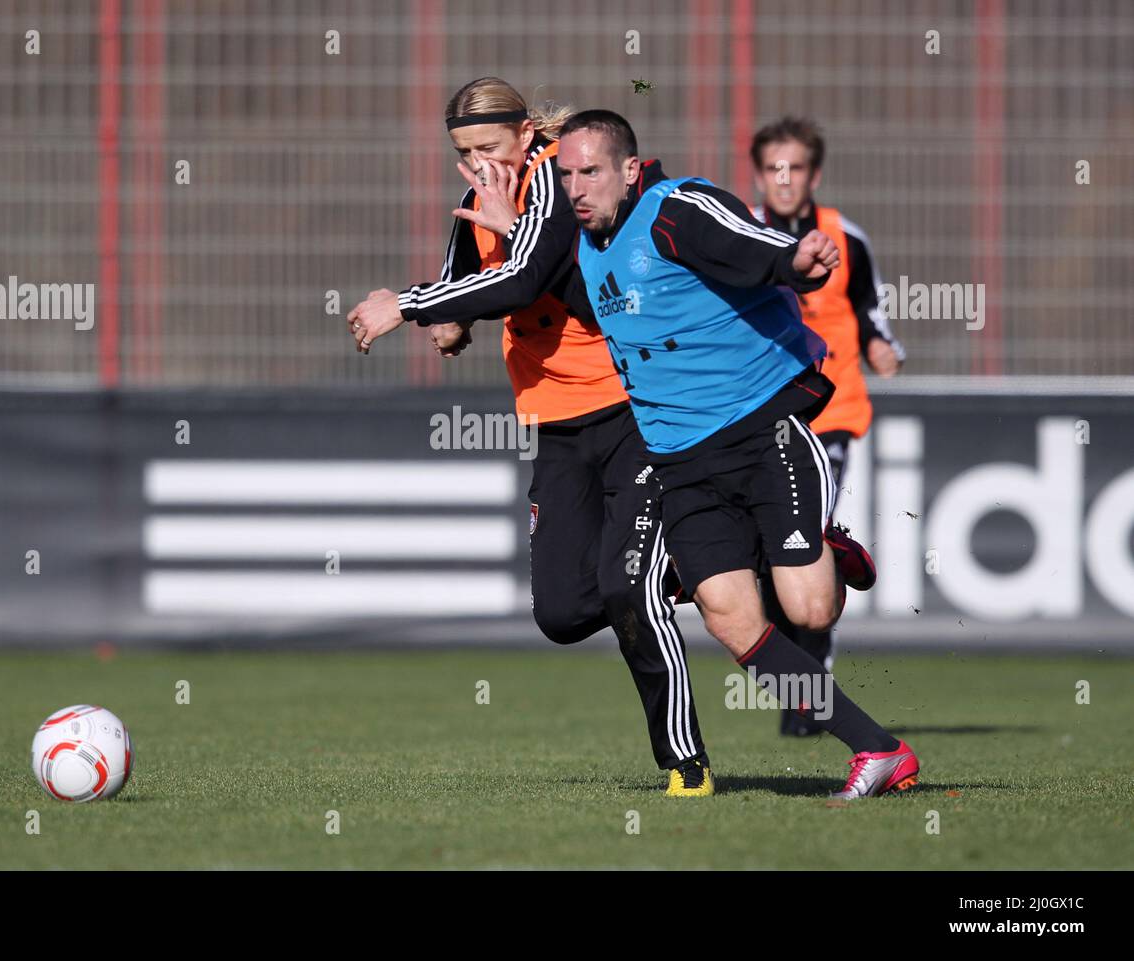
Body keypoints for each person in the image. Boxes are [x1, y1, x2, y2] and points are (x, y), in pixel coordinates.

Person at [347, 79, 713, 795]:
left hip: (632, 406)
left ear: (524, 134)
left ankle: (685, 763)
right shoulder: (480, 202)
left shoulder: (554, 176)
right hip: (555, 420)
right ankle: (690, 564)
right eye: (465, 153)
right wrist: (447, 324)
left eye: (490, 146)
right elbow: (463, 293)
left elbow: (522, 279)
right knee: (563, 611)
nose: (480, 163)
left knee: (626, 591)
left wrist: (406, 304)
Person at [556, 109, 919, 799]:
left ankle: (827, 547)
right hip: (681, 463)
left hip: (761, 433)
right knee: (730, 618)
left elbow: (747, 240)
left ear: (630, 170)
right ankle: (878, 750)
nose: (577, 187)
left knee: (810, 612)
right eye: (566, 174)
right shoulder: (582, 244)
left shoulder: (674, 209)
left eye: (592, 171)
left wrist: (794, 261)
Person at [748, 117, 906, 735]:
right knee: (766, 557)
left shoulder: (846, 237)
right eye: (773, 168)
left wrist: (881, 346)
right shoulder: (739, 232)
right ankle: (801, 682)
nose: (784, 179)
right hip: (760, 411)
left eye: (795, 167)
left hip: (830, 412)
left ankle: (810, 693)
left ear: (814, 175)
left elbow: (870, 308)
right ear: (760, 175)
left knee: (803, 543)